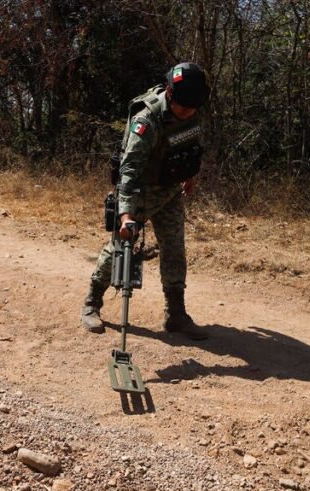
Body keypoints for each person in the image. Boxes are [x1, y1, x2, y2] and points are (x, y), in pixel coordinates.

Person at [80, 62, 211, 340]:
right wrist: (126, 214)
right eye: (183, 108)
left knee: (175, 249)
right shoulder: (147, 120)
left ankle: (176, 314)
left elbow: (190, 143)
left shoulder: (193, 108)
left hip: (170, 190)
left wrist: (190, 174)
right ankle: (92, 302)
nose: (188, 113)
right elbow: (129, 171)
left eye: (193, 109)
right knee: (121, 246)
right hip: (139, 190)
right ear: (170, 94)